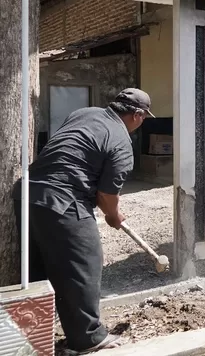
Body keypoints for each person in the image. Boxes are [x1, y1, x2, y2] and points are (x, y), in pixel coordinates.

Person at [11, 88, 154, 353]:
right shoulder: (122, 142)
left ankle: (31, 340)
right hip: (63, 200)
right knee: (85, 265)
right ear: (137, 115)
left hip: (27, 194)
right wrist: (113, 216)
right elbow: (106, 194)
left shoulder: (84, 113)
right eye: (144, 117)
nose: (141, 121)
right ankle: (88, 338)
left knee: (37, 271)